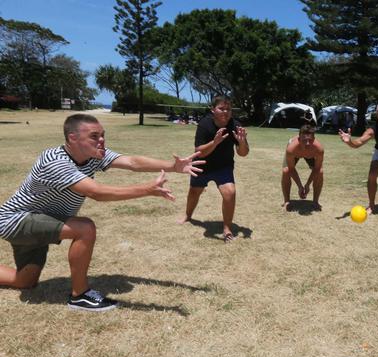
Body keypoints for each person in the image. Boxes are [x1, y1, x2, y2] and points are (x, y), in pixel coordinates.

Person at [0, 113, 205, 311]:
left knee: (25, 281)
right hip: (16, 220)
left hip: (41, 220)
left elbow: (132, 162)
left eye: (102, 135)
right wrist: (146, 190)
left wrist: (173, 167)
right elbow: (96, 193)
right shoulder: (54, 160)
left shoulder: (92, 156)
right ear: (73, 138)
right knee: (85, 228)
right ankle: (80, 296)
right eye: (94, 136)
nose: (102, 140)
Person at [178, 96, 249, 243]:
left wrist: (241, 143)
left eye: (228, 109)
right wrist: (215, 142)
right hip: (202, 164)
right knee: (194, 192)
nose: (225, 112)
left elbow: (243, 153)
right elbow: (199, 151)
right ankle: (188, 215)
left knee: (230, 193)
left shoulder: (235, 125)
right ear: (213, 110)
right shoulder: (205, 124)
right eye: (221, 108)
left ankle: (227, 228)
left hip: (223, 166)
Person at [281, 124, 324, 211]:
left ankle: (315, 201)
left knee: (320, 172)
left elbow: (317, 169)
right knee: (286, 171)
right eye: (304, 140)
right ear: (299, 139)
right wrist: (300, 186)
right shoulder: (291, 149)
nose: (307, 143)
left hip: (311, 155)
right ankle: (286, 201)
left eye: (310, 140)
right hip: (296, 153)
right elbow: (291, 169)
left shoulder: (319, 149)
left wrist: (307, 185)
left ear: (314, 139)